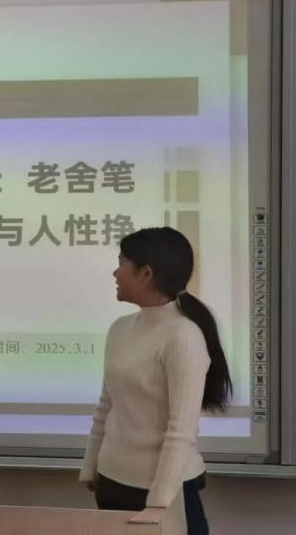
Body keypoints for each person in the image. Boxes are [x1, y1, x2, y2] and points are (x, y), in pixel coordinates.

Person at [79, 227, 232, 534]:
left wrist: (159, 504)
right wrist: (91, 465)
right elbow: (106, 406)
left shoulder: (183, 336)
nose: (115, 273)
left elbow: (180, 431)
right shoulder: (120, 329)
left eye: (121, 263)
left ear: (146, 274)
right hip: (112, 482)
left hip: (166, 492)